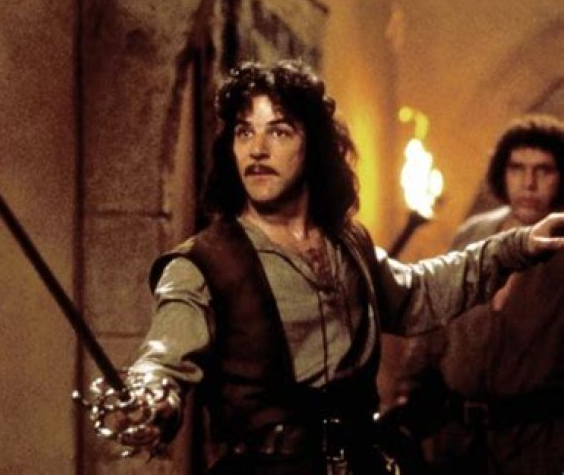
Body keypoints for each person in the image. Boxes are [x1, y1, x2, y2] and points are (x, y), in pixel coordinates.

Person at [88, 60, 564, 475]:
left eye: (278, 130)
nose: (256, 149)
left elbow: (416, 292)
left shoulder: (347, 241)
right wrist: (150, 399)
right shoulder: (202, 264)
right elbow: (164, 357)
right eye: (244, 131)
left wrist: (516, 247)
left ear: (312, 144)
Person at [387, 114, 564, 474]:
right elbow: (438, 318)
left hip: (536, 444)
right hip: (456, 441)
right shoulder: (474, 232)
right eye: (517, 168)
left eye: (543, 170)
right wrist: (407, 392)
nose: (528, 183)